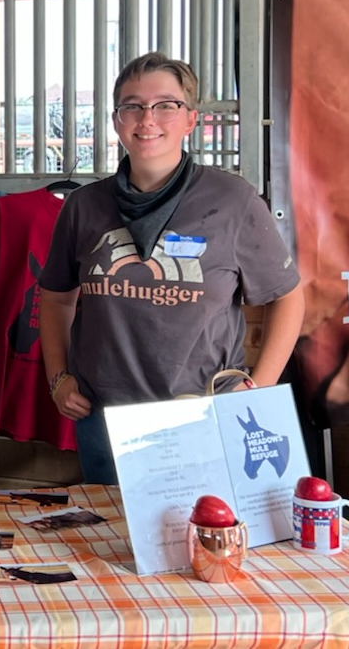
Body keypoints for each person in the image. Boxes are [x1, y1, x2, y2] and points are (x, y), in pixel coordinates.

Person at [38, 52, 305, 485]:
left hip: (203, 417)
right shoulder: (84, 206)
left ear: (190, 120)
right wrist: (58, 378)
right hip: (105, 418)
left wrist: (257, 388)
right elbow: (55, 297)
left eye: (166, 104)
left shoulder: (233, 200)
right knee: (110, 543)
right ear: (116, 120)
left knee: (199, 544)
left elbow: (288, 297)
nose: (148, 119)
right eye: (132, 106)